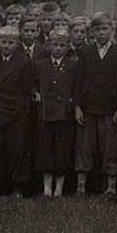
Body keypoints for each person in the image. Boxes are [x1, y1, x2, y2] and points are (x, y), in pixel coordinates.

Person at [73, 12, 117, 196]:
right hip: (88, 108)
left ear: (111, 30)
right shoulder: (86, 52)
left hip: (110, 109)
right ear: (92, 32)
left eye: (105, 29)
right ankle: (81, 187)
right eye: (97, 29)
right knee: (85, 146)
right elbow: (78, 81)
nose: (101, 33)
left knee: (110, 147)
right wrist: (78, 107)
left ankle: (111, 187)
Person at [0, 25, 37, 196]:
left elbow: (27, 89)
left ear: (17, 43)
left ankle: (17, 187)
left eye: (11, 42)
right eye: (3, 41)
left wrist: (22, 110)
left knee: (17, 151)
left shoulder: (24, 61)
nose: (6, 45)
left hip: (16, 111)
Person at [34, 26, 77, 197]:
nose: (58, 48)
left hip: (63, 114)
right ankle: (46, 189)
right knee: (46, 150)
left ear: (67, 47)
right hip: (45, 114)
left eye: (62, 45)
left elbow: (76, 87)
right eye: (55, 44)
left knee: (61, 150)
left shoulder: (72, 65)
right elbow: (33, 83)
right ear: (49, 45)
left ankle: (58, 189)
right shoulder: (41, 65)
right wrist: (35, 92)